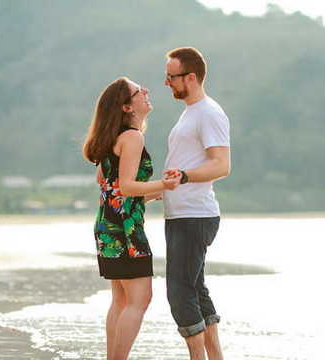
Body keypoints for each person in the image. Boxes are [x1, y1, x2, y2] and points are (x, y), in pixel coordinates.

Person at [82, 77, 179, 360]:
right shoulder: (132, 137)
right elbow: (126, 187)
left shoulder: (113, 138)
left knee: (121, 300)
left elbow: (115, 191)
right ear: (126, 106)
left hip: (109, 226)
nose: (146, 91)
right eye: (139, 91)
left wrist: (155, 194)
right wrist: (165, 184)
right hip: (125, 231)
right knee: (139, 300)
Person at [162, 47, 231, 360]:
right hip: (183, 214)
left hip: (194, 215)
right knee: (195, 289)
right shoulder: (190, 112)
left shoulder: (209, 112)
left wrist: (185, 177)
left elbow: (222, 165)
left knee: (180, 292)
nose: (167, 83)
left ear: (191, 77)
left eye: (171, 76)